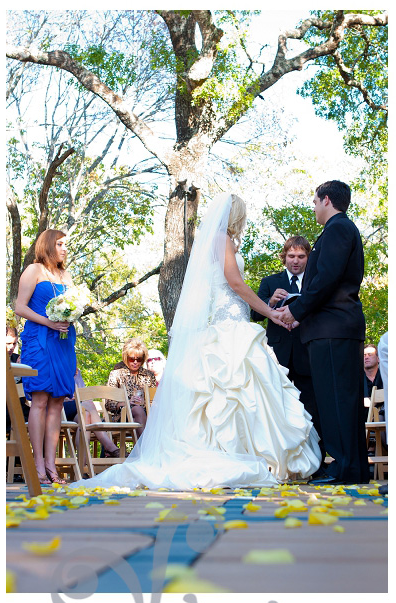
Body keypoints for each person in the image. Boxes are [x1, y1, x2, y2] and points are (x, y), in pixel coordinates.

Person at [68, 193, 320, 491]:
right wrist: (271, 313)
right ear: (236, 215)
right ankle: (241, 456)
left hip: (235, 323)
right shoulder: (220, 239)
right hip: (229, 326)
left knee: (238, 393)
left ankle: (253, 456)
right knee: (231, 392)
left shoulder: (221, 241)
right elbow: (235, 283)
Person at [278, 181, 368, 484]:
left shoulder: (337, 229)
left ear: (327, 200)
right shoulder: (341, 230)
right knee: (343, 399)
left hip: (332, 328)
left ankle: (344, 467)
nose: (314, 207)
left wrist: (297, 310)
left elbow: (326, 279)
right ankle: (352, 468)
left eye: (315, 201)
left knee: (336, 400)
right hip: (336, 327)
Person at [14, 229, 77, 486]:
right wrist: (49, 323)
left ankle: (53, 467)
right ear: (48, 245)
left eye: (66, 244)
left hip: (63, 341)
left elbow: (74, 304)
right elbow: (19, 306)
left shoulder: (65, 274)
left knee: (57, 403)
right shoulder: (33, 270)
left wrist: (71, 316)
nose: (64, 248)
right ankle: (37, 466)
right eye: (60, 244)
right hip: (39, 339)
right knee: (39, 400)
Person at [252, 236, 323, 455]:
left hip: (308, 353)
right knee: (277, 408)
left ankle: (315, 460)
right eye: (291, 256)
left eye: (301, 256)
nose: (296, 261)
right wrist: (271, 302)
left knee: (311, 408)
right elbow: (254, 314)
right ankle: (278, 458)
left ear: (308, 258)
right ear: (284, 257)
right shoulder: (270, 282)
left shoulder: (316, 282)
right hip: (277, 355)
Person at [106, 338, 158, 436]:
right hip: (121, 416)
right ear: (126, 358)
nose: (135, 362)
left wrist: (144, 402)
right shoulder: (116, 374)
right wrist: (128, 402)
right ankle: (145, 448)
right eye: (131, 359)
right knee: (137, 409)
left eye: (139, 359)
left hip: (146, 414)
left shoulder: (149, 375)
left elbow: (154, 400)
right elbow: (109, 403)